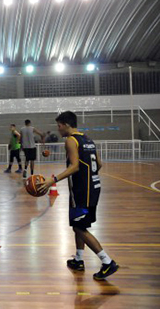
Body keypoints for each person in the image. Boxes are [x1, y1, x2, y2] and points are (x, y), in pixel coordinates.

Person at [37, 111, 119, 280]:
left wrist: (52, 180)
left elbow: (74, 167)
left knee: (79, 227)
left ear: (66, 124)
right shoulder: (88, 139)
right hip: (94, 187)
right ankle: (79, 260)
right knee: (79, 224)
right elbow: (99, 164)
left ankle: (107, 262)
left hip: (82, 191)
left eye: (59, 125)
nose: (58, 129)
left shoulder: (70, 140)